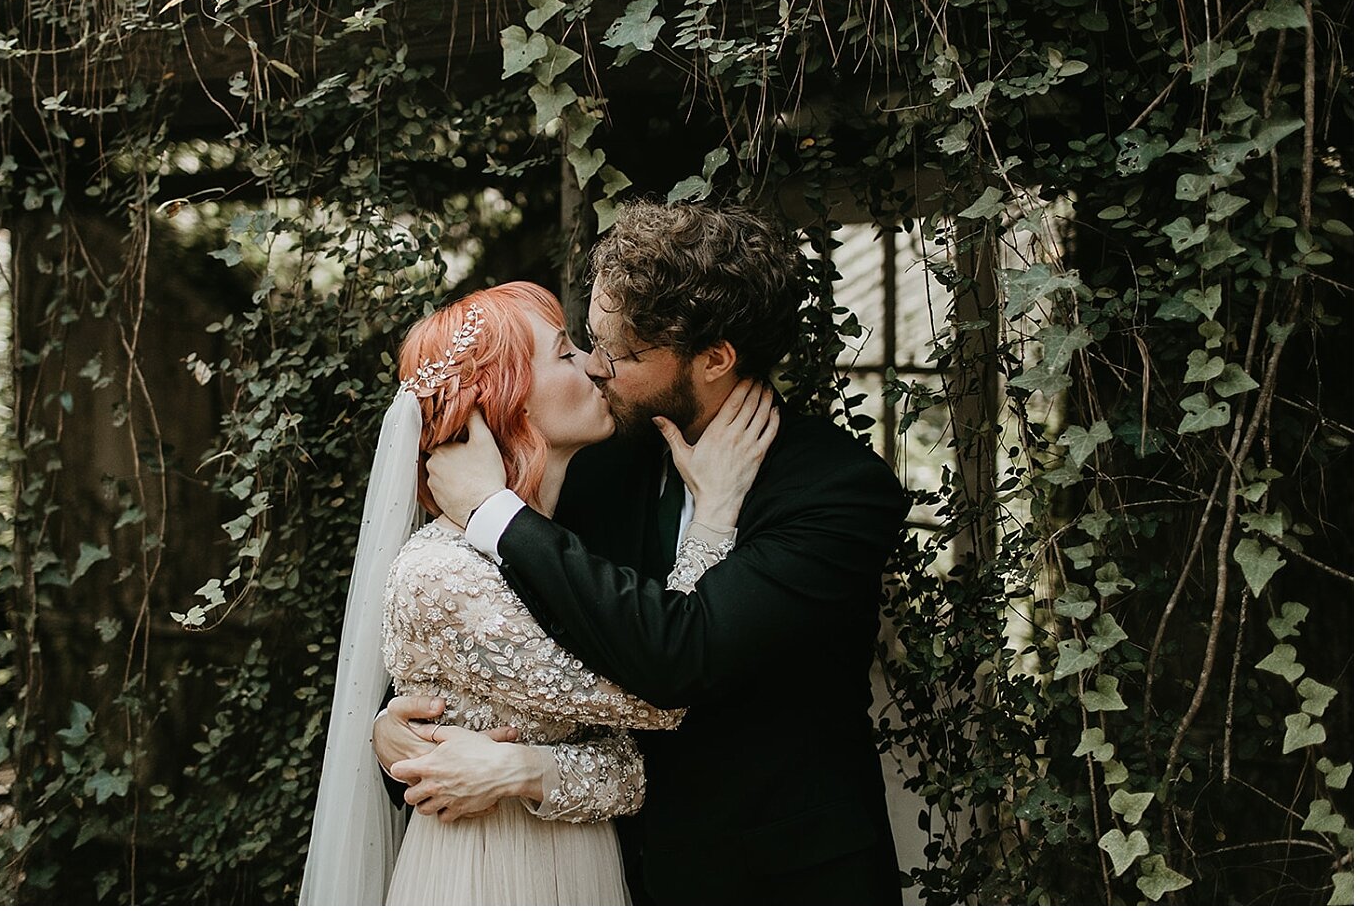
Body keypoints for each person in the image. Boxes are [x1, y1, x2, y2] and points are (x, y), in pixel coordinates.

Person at [376, 201, 910, 904]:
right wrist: (395, 735)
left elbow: (680, 658)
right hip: (604, 869)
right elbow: (483, 655)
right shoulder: (594, 459)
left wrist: (491, 509)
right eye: (587, 341)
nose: (595, 367)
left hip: (778, 880)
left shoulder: (836, 492)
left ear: (713, 358)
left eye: (619, 353)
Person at [299, 280, 777, 905]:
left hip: (586, 867)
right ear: (512, 402)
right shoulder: (442, 573)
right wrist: (713, 520)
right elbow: (660, 698)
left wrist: (523, 770)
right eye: (565, 352)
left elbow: (626, 770)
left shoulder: (568, 530)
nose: (595, 365)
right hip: (486, 875)